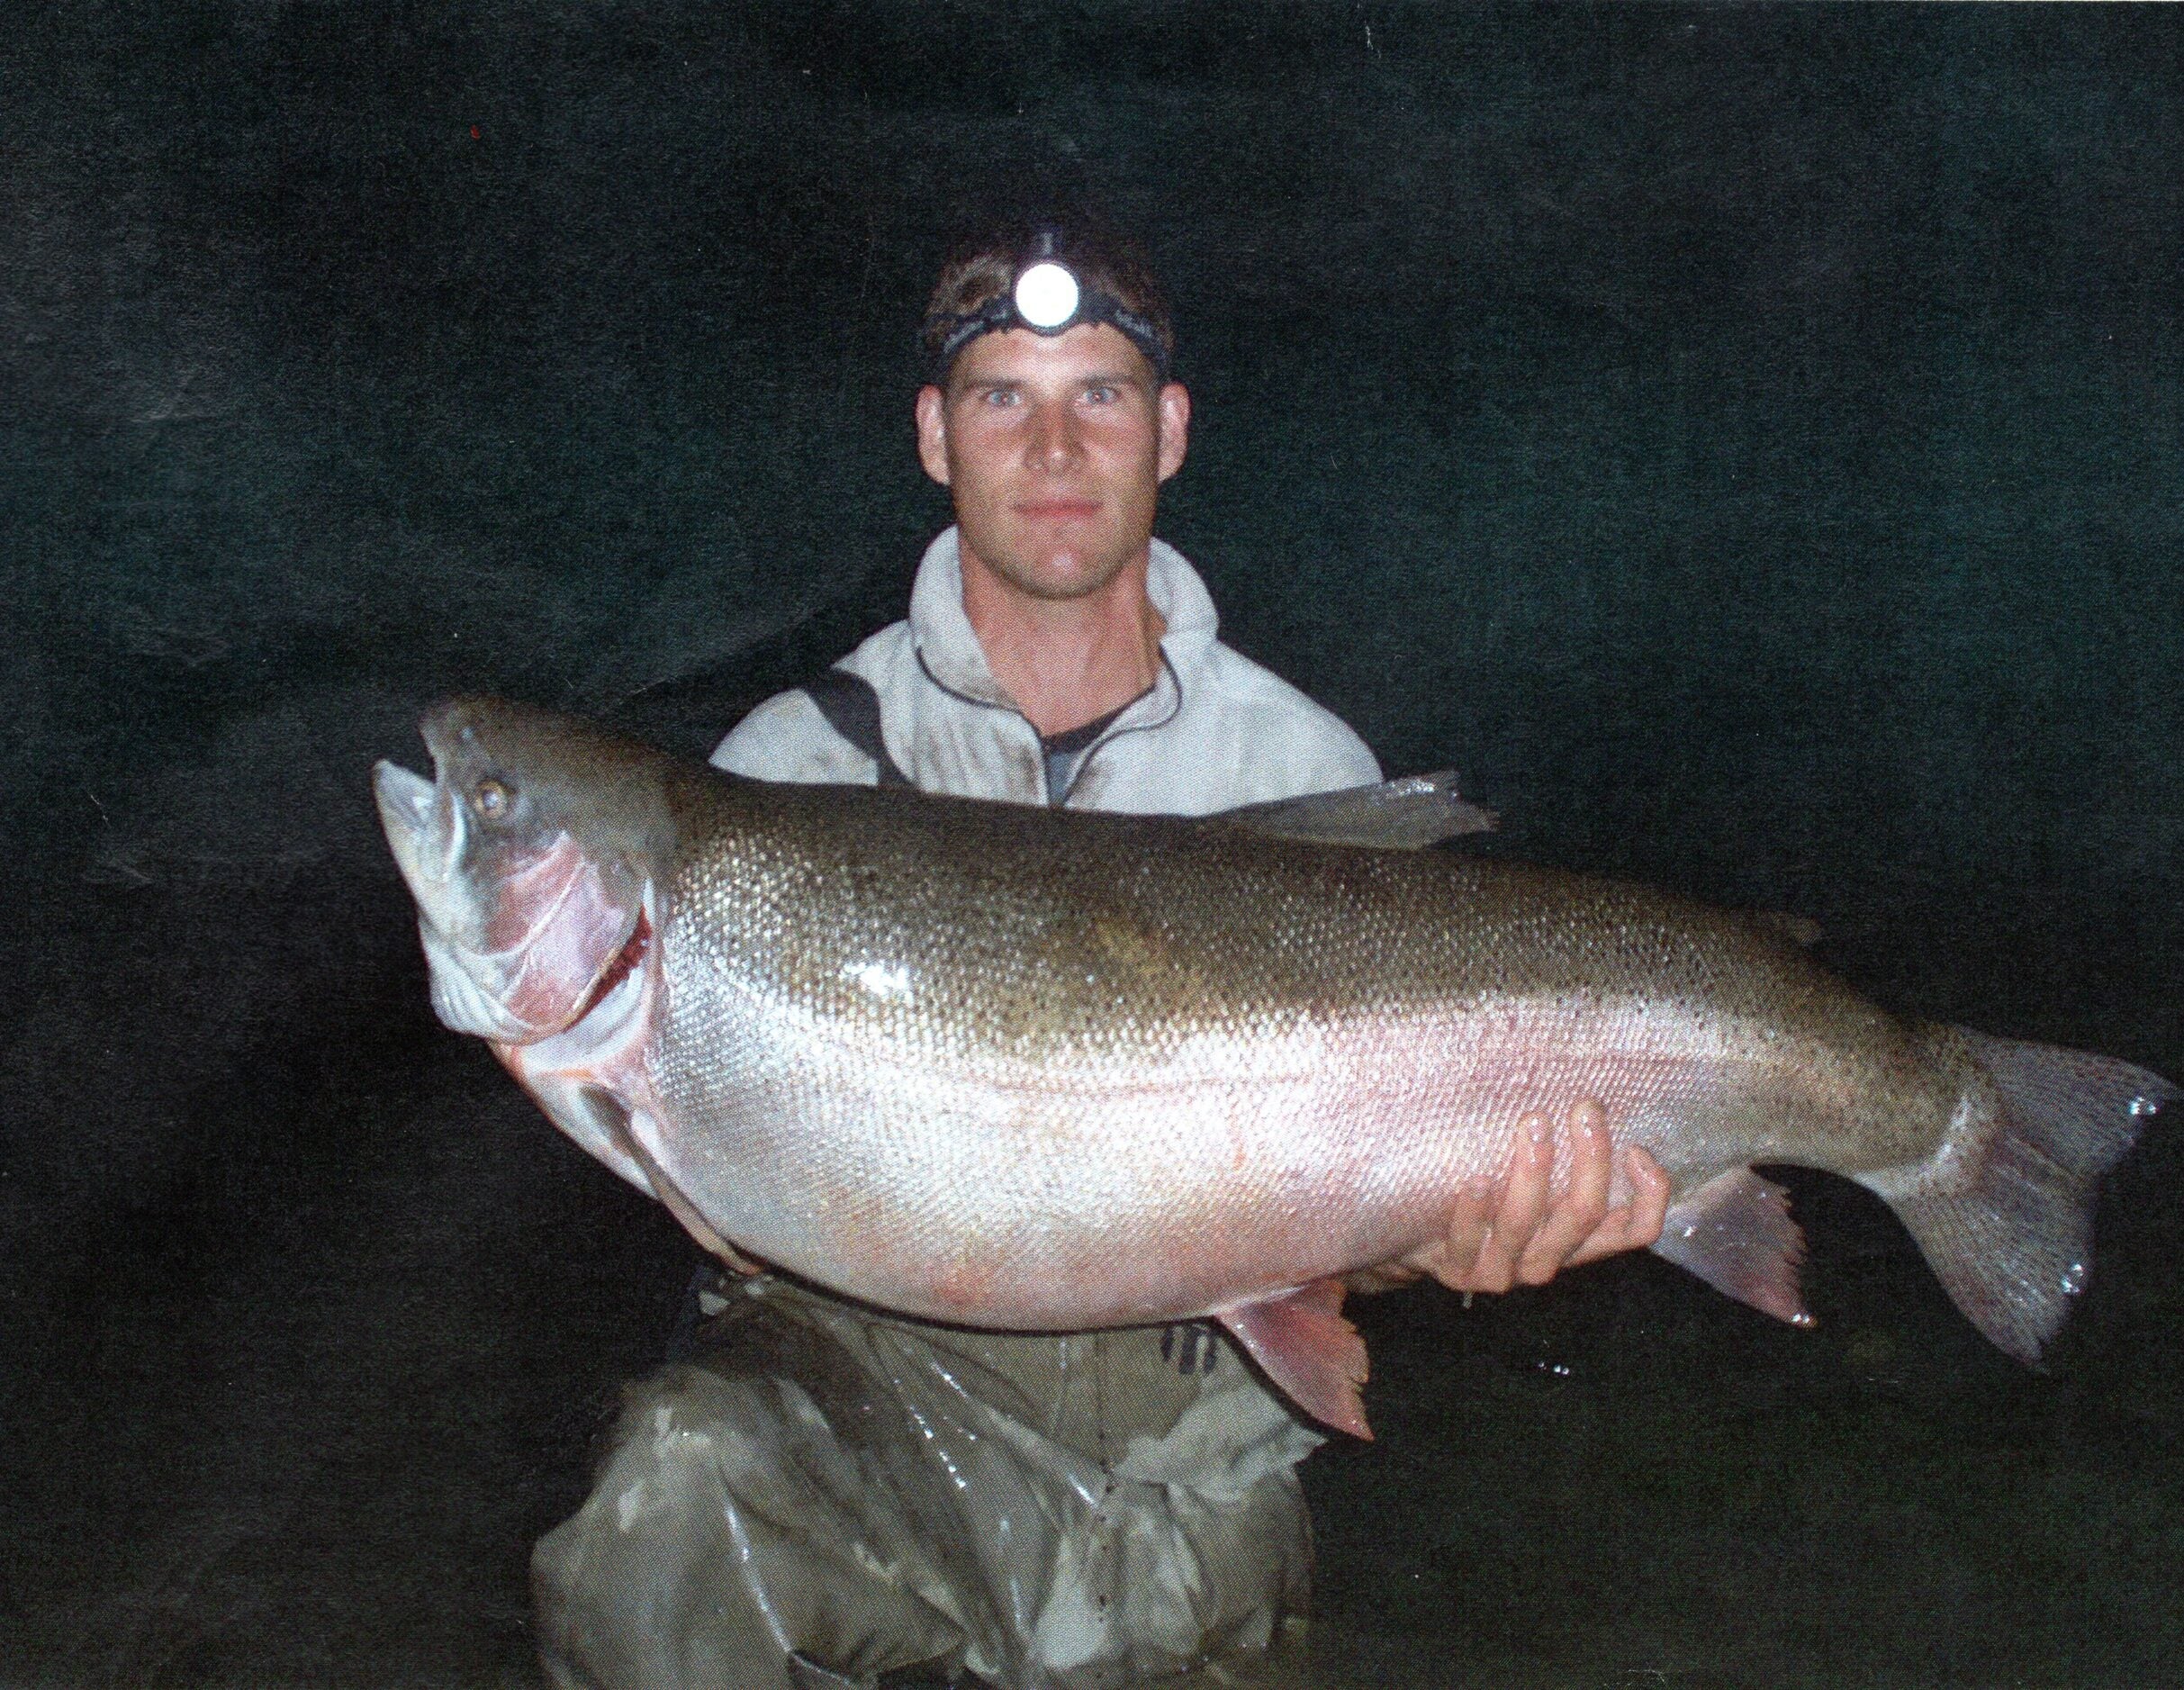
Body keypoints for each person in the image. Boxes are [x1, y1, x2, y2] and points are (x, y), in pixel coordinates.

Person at [532, 225, 1670, 1690]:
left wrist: (1437, 1236)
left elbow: (1342, 1226)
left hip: (1186, 1465)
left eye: (1103, 397)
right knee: (666, 1496)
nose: (1056, 445)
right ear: (935, 436)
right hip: (874, 1426)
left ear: (1172, 430)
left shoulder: (1302, 763)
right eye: (1005, 396)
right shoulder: (787, 769)